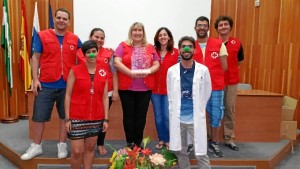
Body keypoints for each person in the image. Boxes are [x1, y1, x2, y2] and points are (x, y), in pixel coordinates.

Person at [21, 8, 82, 160]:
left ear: (69, 21)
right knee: (39, 117)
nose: (61, 21)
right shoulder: (42, 35)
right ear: (54, 19)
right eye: (59, 18)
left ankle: (62, 145)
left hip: (67, 86)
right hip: (46, 84)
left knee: (64, 117)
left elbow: (86, 54)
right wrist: (35, 79)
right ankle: (36, 146)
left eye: (65, 18)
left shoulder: (74, 38)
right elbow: (35, 58)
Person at [167, 36, 212, 169]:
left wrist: (199, 108)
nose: (187, 49)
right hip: (178, 118)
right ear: (179, 50)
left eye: (190, 46)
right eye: (183, 46)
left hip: (195, 118)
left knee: (201, 151)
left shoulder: (203, 70)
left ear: (194, 49)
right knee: (180, 150)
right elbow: (170, 94)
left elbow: (207, 91)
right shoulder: (172, 71)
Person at [114, 22, 160, 148]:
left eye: (140, 30)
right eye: (135, 30)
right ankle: (129, 142)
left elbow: (157, 64)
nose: (137, 32)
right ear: (131, 32)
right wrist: (130, 73)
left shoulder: (150, 47)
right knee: (128, 116)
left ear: (143, 33)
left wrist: (148, 71)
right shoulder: (123, 46)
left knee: (141, 117)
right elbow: (116, 62)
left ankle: (138, 144)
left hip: (145, 89)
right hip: (126, 88)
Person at [65, 40, 109, 169]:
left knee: (90, 148)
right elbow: (67, 95)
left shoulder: (104, 72)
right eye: (88, 52)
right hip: (77, 117)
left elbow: (105, 97)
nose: (91, 55)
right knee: (77, 151)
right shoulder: (75, 70)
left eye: (94, 52)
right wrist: (67, 119)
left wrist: (106, 119)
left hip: (96, 117)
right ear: (84, 55)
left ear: (97, 52)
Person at [77, 28, 119, 155]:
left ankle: (100, 143)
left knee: (102, 119)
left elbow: (114, 73)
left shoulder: (109, 54)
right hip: (86, 92)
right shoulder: (80, 53)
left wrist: (116, 91)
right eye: (96, 37)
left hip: (106, 93)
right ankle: (85, 143)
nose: (99, 40)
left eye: (102, 38)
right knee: (86, 119)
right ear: (90, 37)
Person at [193, 16, 228, 158]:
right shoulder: (190, 45)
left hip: (215, 87)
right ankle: (195, 143)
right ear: (195, 28)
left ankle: (214, 143)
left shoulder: (219, 44)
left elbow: (224, 66)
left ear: (208, 28)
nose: (201, 28)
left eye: (204, 25)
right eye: (199, 25)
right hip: (196, 89)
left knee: (215, 116)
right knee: (195, 116)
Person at [214, 15, 244, 151]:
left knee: (229, 110)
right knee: (213, 110)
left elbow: (239, 62)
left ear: (230, 26)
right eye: (220, 25)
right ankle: (212, 138)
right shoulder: (213, 43)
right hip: (215, 82)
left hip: (231, 82)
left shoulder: (237, 43)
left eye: (226, 24)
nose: (223, 27)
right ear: (217, 28)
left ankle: (229, 138)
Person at [151, 27, 179, 150]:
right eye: (160, 35)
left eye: (165, 35)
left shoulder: (176, 52)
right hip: (154, 90)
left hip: (170, 90)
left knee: (168, 116)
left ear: (169, 37)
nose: (162, 37)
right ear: (157, 38)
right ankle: (161, 139)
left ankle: (169, 140)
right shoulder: (152, 51)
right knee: (158, 116)